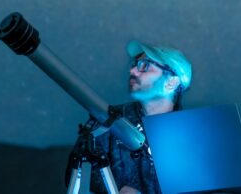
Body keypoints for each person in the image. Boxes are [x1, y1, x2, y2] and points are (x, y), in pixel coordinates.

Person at [75, 40, 193, 194]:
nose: (132, 71)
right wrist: (117, 189)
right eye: (134, 64)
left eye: (144, 65)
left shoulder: (193, 135)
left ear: (171, 82)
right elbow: (76, 174)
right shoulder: (107, 119)